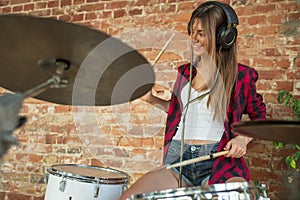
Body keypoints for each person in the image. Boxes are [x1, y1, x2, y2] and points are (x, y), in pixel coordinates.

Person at [119, 1, 266, 199]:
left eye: (201, 33)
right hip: (178, 159)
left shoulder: (242, 76)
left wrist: (243, 138)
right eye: (192, 32)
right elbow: (179, 112)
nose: (194, 39)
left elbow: (260, 119)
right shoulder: (185, 72)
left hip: (218, 160)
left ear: (223, 37)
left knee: (239, 197)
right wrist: (151, 99)